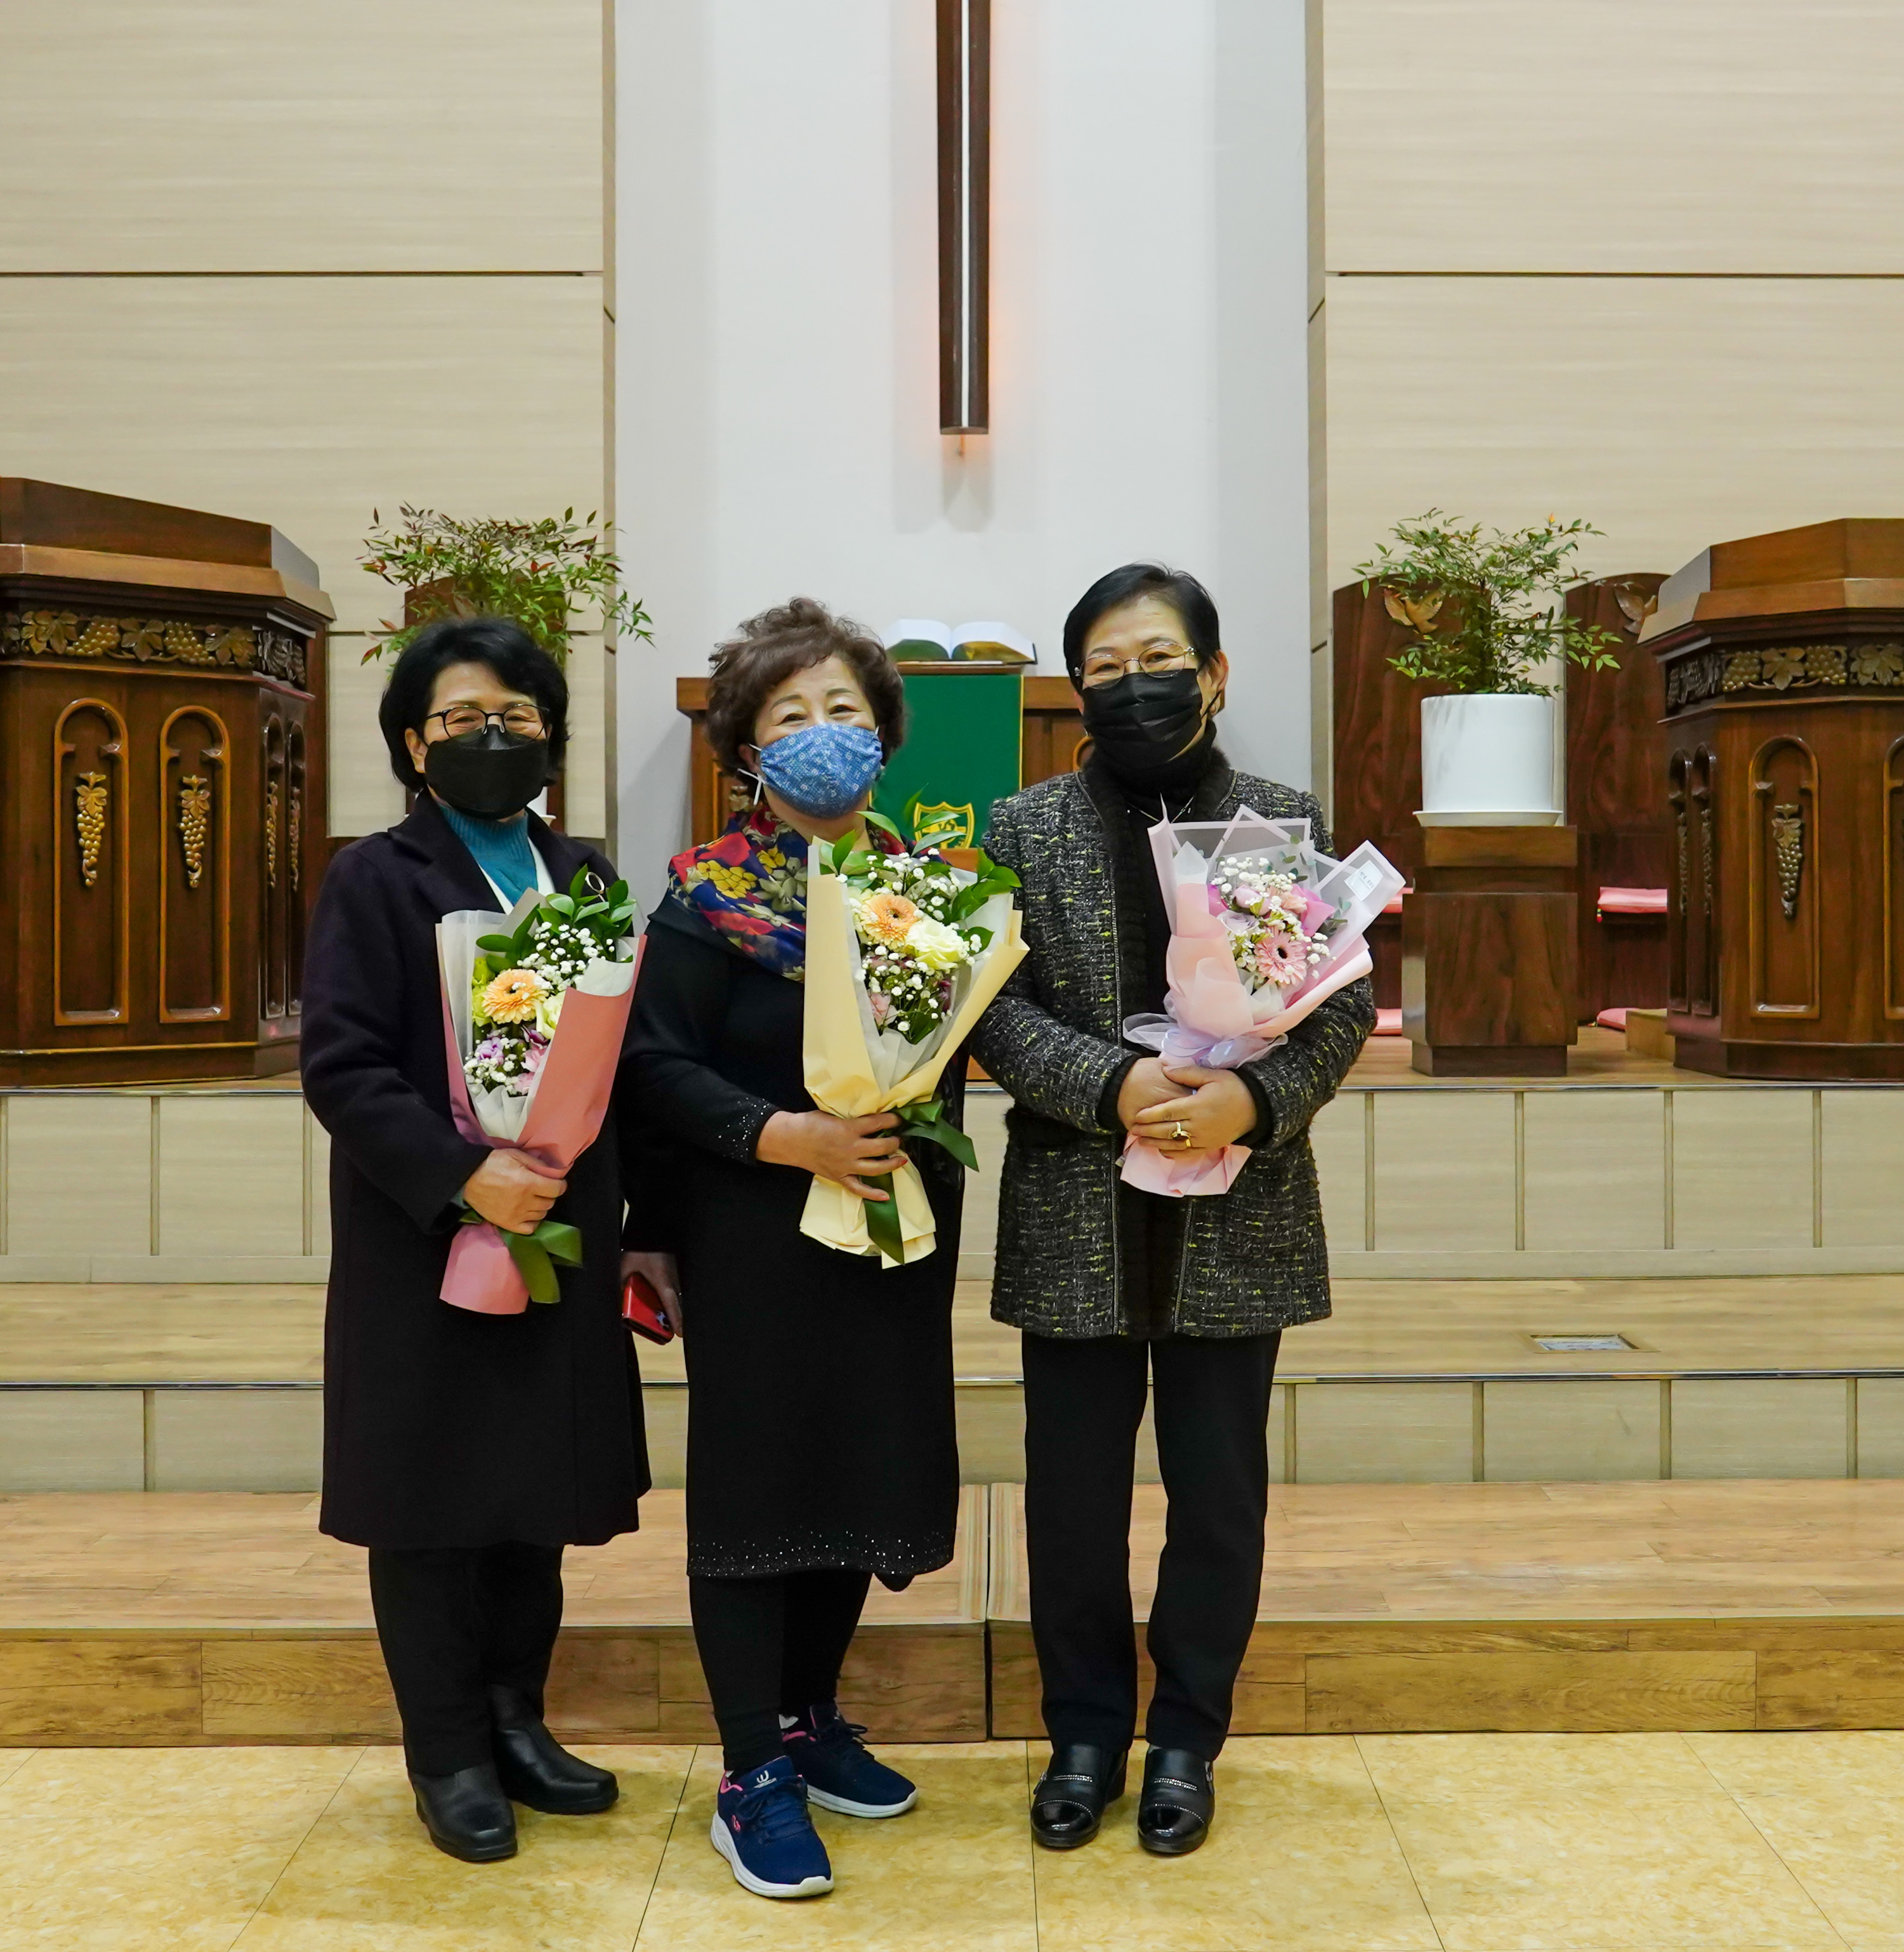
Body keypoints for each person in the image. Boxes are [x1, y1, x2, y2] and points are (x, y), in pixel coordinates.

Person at [968, 564, 1372, 1857]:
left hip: (1236, 1207)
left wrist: (1252, 1102)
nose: (1130, 684)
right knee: (1071, 1500)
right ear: (1075, 688)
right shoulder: (1022, 826)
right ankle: (1083, 1735)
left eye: (1156, 659)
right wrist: (1113, 1085)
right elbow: (988, 1004)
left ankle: (1187, 1736)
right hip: (1077, 1200)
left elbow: (1343, 998)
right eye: (1103, 666)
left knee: (1217, 1495)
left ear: (1213, 674)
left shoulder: (1278, 817)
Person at [617, 598, 964, 1902]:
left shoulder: (932, 893)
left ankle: (811, 1719)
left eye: (844, 710)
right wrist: (785, 1138)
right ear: (748, 748)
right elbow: (654, 1067)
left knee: (860, 1469)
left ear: (883, 732)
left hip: (888, 1226)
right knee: (756, 1490)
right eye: (791, 714)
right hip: (752, 1228)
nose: (824, 732)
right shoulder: (705, 897)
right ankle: (749, 1770)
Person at [301, 617, 650, 1864]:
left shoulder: (587, 878)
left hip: (557, 1232)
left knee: (530, 1499)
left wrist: (626, 1223)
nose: (489, 736)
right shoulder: (374, 876)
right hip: (424, 1248)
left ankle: (516, 1720)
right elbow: (342, 1065)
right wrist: (465, 1176)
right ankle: (446, 1750)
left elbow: (620, 1063)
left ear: (550, 736)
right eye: (459, 718)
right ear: (412, 743)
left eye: (515, 716)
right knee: (432, 1506)